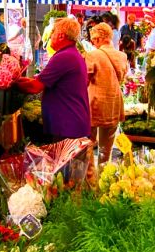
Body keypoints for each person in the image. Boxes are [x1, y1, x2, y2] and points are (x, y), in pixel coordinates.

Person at [13, 18, 91, 141]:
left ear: (60, 36)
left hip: (68, 125)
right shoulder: (70, 53)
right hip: (71, 123)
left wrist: (11, 84)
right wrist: (17, 78)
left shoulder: (64, 56)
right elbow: (39, 80)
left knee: (67, 160)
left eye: (52, 32)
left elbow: (35, 87)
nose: (50, 36)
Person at [85, 23, 128, 164]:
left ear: (97, 38)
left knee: (88, 145)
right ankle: (103, 176)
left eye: (93, 40)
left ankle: (89, 179)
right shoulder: (122, 56)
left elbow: (84, 80)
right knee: (106, 149)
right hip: (114, 103)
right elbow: (121, 78)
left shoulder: (92, 55)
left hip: (94, 104)